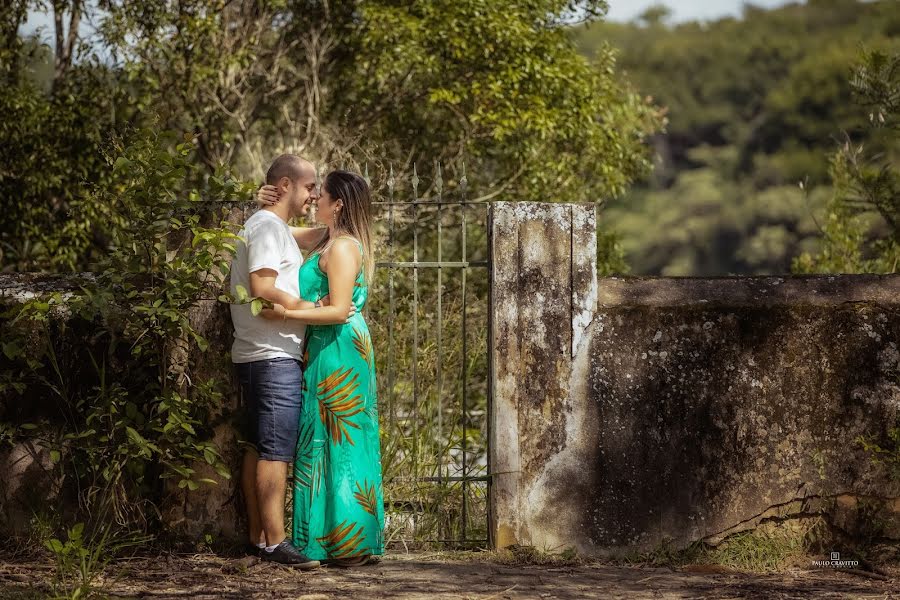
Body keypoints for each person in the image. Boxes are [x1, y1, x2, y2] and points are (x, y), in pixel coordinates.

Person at [229, 154, 355, 568]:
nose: (314, 193)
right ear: (284, 186)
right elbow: (263, 286)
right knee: (275, 451)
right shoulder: (267, 227)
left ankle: (258, 536)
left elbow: (315, 235)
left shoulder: (273, 227)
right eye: (308, 187)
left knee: (257, 445)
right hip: (271, 357)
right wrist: (303, 305)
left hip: (260, 355)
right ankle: (275, 543)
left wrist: (342, 213)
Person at [257, 170, 384, 567]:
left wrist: (285, 315)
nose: (315, 200)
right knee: (326, 440)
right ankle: (336, 542)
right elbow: (277, 230)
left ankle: (349, 545)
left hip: (339, 349)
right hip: (327, 348)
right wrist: (262, 206)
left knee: (341, 442)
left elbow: (338, 310)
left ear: (339, 204)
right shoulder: (325, 238)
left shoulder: (343, 247)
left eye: (321, 194)